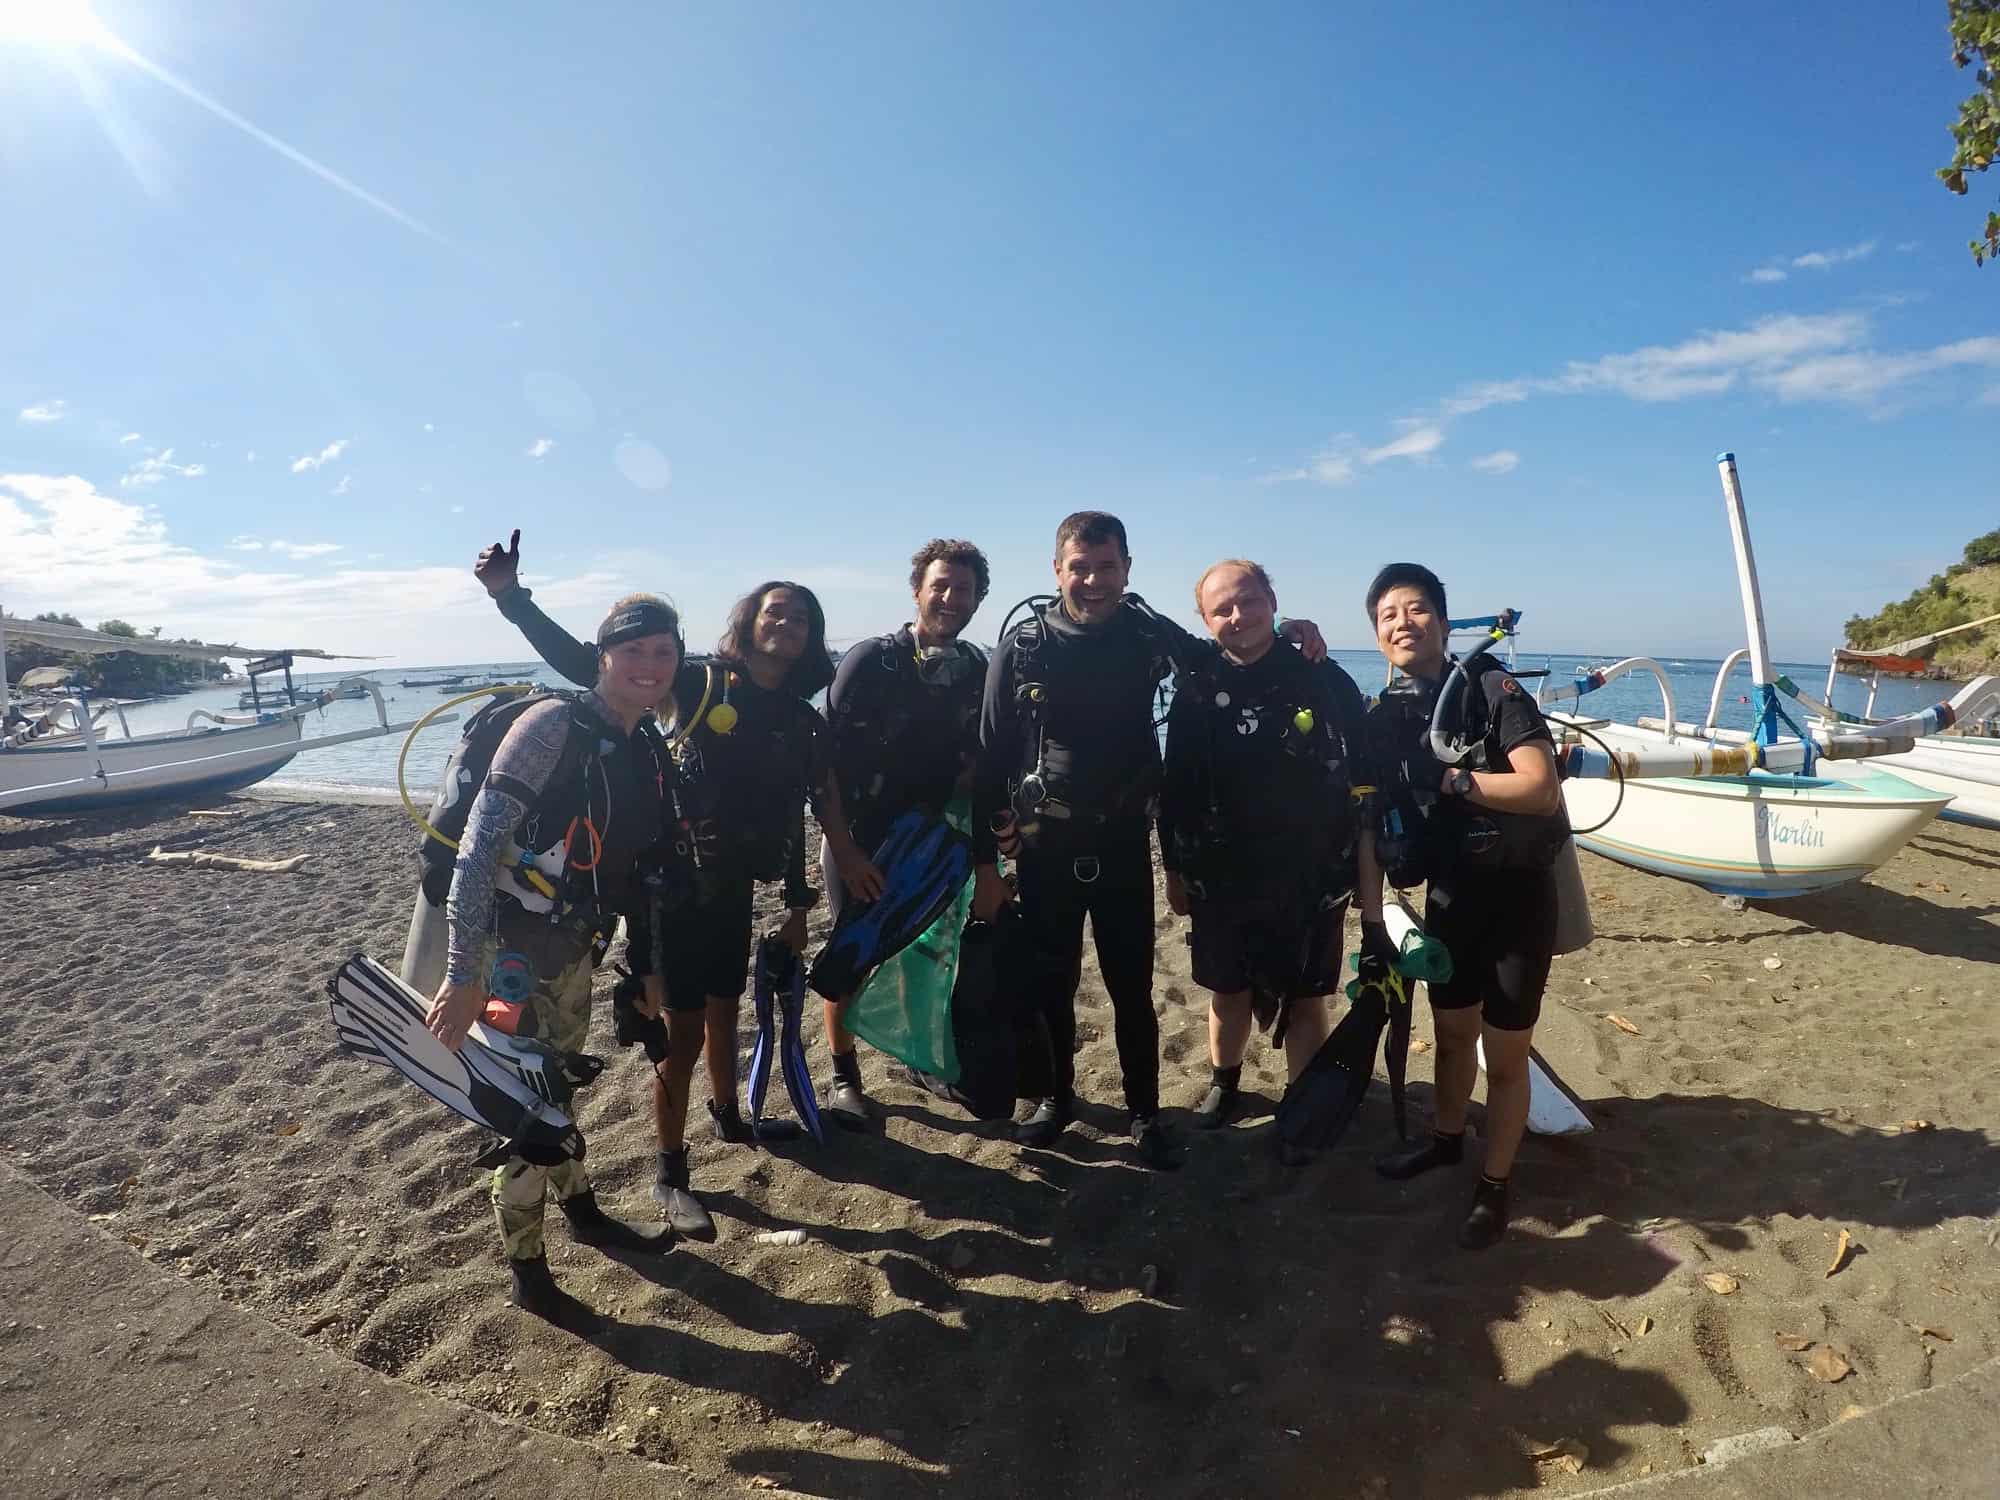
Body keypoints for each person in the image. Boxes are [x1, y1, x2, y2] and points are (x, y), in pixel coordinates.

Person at [475, 535, 866, 1235]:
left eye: (800, 618)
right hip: (672, 891)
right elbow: (592, 666)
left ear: (812, 639)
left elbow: (812, 802)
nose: (786, 623)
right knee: (678, 1035)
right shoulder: (699, 682)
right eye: (774, 612)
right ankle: (669, 1172)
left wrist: (804, 898)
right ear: (748, 622)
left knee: (726, 1011)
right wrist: (513, 600)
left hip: (733, 890)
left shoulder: (802, 722)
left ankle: (729, 1118)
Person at [972, 512, 1328, 1170]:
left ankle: (1144, 1111)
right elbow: (989, 757)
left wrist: (1287, 630)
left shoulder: (1145, 631)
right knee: (1053, 982)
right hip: (1046, 845)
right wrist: (986, 865)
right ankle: (1057, 1098)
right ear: (1057, 570)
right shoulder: (1024, 645)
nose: (1094, 580)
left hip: (1122, 846)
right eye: (1080, 567)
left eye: (1107, 566)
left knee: (1132, 987)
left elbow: (1227, 655)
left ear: (1127, 569)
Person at [421, 594, 682, 1321]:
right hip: (507, 955)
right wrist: (461, 976)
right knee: (526, 1113)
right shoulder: (550, 726)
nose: (649, 665)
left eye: (663, 652)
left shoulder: (643, 745)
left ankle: (584, 1213)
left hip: (572, 951)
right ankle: (529, 1274)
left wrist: (644, 967)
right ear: (602, 656)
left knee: (557, 1089)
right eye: (633, 650)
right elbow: (476, 854)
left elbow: (642, 870)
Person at [1353, 562, 1568, 1250]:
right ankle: (1447, 1141)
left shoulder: (1490, 688)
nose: (1403, 623)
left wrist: (1453, 780)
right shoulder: (1383, 719)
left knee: (1504, 1055)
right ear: (1377, 636)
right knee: (1450, 1037)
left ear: (1444, 624)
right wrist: (1372, 920)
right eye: (1388, 615)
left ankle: (1494, 1183)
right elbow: (1368, 823)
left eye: (1416, 609)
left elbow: (1540, 788)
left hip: (1517, 899)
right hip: (1449, 897)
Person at [1158, 560, 1367, 1133]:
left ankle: (1301, 1096)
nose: (1238, 615)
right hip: (1220, 871)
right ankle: (1224, 1083)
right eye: (1221, 609)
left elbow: (1367, 767)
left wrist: (1364, 860)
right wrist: (1174, 868)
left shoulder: (1322, 675)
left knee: (1305, 997)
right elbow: (1175, 787)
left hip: (1312, 870)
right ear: (1205, 621)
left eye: (1248, 600)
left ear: (1272, 602)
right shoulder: (1197, 687)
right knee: (1228, 991)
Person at [816, 538, 991, 1127]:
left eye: (963, 589)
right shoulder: (873, 660)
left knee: (928, 952)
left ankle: (919, 1059)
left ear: (978, 600)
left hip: (934, 841)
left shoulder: (977, 670)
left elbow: (985, 759)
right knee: (853, 952)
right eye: (940, 585)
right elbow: (822, 765)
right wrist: (846, 851)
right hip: (863, 838)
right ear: (917, 590)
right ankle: (844, 1075)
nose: (950, 598)